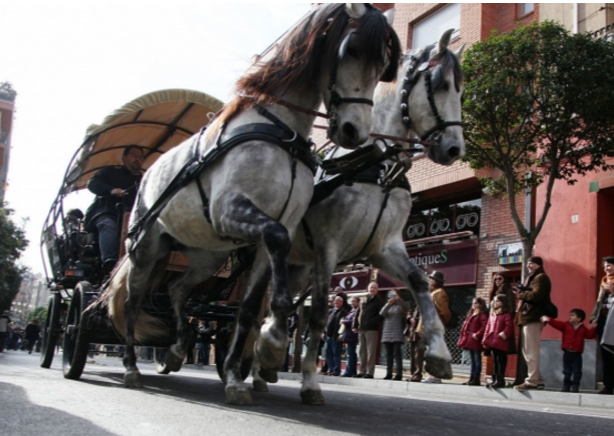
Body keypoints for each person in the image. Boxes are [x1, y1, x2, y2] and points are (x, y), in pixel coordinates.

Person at [84, 146, 144, 273]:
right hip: (107, 212)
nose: (137, 159)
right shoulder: (110, 172)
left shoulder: (144, 180)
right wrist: (111, 190)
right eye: (134, 155)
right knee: (108, 224)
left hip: (134, 219)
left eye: (140, 157)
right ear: (124, 157)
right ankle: (110, 263)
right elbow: (92, 183)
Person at [513, 256, 551, 391]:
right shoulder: (533, 277)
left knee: (531, 351)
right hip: (528, 317)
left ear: (539, 265)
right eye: (528, 263)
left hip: (533, 317)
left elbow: (536, 296)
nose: (529, 265)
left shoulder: (540, 277)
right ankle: (538, 380)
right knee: (528, 350)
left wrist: (521, 294)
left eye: (532, 263)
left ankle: (532, 381)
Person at [541, 309, 597, 392]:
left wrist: (593, 327)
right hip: (567, 353)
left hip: (577, 354)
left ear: (579, 318)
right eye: (570, 315)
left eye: (572, 315)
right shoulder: (565, 325)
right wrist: (549, 320)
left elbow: (589, 335)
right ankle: (566, 386)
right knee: (567, 371)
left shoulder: (583, 329)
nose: (570, 317)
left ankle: (575, 386)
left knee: (577, 371)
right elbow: (557, 324)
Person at [421, 271, 452, 384]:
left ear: (436, 282)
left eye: (431, 279)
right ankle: (433, 375)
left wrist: (443, 322)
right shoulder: (433, 292)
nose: (429, 281)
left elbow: (445, 311)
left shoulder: (439, 293)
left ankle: (435, 376)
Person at [589, 256, 614, 395]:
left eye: (609, 265)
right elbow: (599, 302)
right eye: (605, 266)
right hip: (604, 319)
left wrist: (613, 291)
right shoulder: (604, 282)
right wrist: (594, 318)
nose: (607, 268)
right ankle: (608, 386)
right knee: (605, 354)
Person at [352, 282, 384, 379]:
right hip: (361, 328)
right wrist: (355, 325)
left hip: (371, 329)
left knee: (371, 351)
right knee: (362, 351)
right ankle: (362, 371)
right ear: (368, 288)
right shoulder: (363, 299)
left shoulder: (379, 301)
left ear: (377, 289)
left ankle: (370, 372)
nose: (372, 289)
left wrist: (372, 322)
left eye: (374, 288)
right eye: (371, 287)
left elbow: (381, 315)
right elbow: (357, 313)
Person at [483, 295, 514, 388]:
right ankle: (494, 379)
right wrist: (485, 339)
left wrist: (503, 334)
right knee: (495, 361)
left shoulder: (506, 314)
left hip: (500, 341)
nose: (495, 303)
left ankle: (500, 380)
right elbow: (488, 328)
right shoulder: (492, 315)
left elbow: (509, 327)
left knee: (500, 361)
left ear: (503, 302)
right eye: (494, 301)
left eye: (497, 301)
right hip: (492, 341)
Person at [457, 297, 488, 386]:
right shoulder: (471, 314)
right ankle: (471, 378)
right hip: (470, 340)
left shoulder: (482, 315)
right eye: (473, 303)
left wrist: (477, 335)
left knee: (477, 359)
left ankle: (476, 378)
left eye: (476, 303)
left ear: (481, 304)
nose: (474, 305)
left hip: (476, 340)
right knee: (473, 360)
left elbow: (484, 326)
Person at [380, 290, 409, 381]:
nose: (392, 296)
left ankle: (399, 374)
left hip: (398, 332)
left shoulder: (401, 305)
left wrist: (398, 299)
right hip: (387, 333)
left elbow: (405, 308)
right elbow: (382, 313)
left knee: (397, 354)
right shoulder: (388, 305)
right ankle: (388, 373)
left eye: (394, 294)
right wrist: (388, 304)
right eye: (391, 295)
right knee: (389, 354)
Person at [489, 273, 517, 355]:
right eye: (495, 279)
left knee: (501, 354)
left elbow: (511, 309)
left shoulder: (508, 291)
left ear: (504, 279)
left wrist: (505, 324)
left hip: (502, 325)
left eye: (500, 278)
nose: (497, 280)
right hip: (492, 323)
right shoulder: (493, 292)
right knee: (494, 354)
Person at [323, 296, 348, 376]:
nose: (337, 302)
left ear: (342, 303)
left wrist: (340, 335)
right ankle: (331, 369)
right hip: (328, 336)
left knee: (336, 354)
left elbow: (344, 326)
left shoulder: (344, 312)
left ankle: (336, 370)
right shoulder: (330, 311)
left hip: (336, 337)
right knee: (328, 353)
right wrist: (323, 332)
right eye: (336, 301)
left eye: (339, 301)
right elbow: (325, 323)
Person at [340, 296, 360, 377]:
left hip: (352, 335)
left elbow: (354, 321)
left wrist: (344, 321)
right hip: (349, 334)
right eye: (351, 301)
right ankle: (352, 371)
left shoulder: (357, 310)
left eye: (354, 301)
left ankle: (348, 371)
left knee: (350, 354)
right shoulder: (352, 310)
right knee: (351, 353)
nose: (352, 303)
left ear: (358, 302)